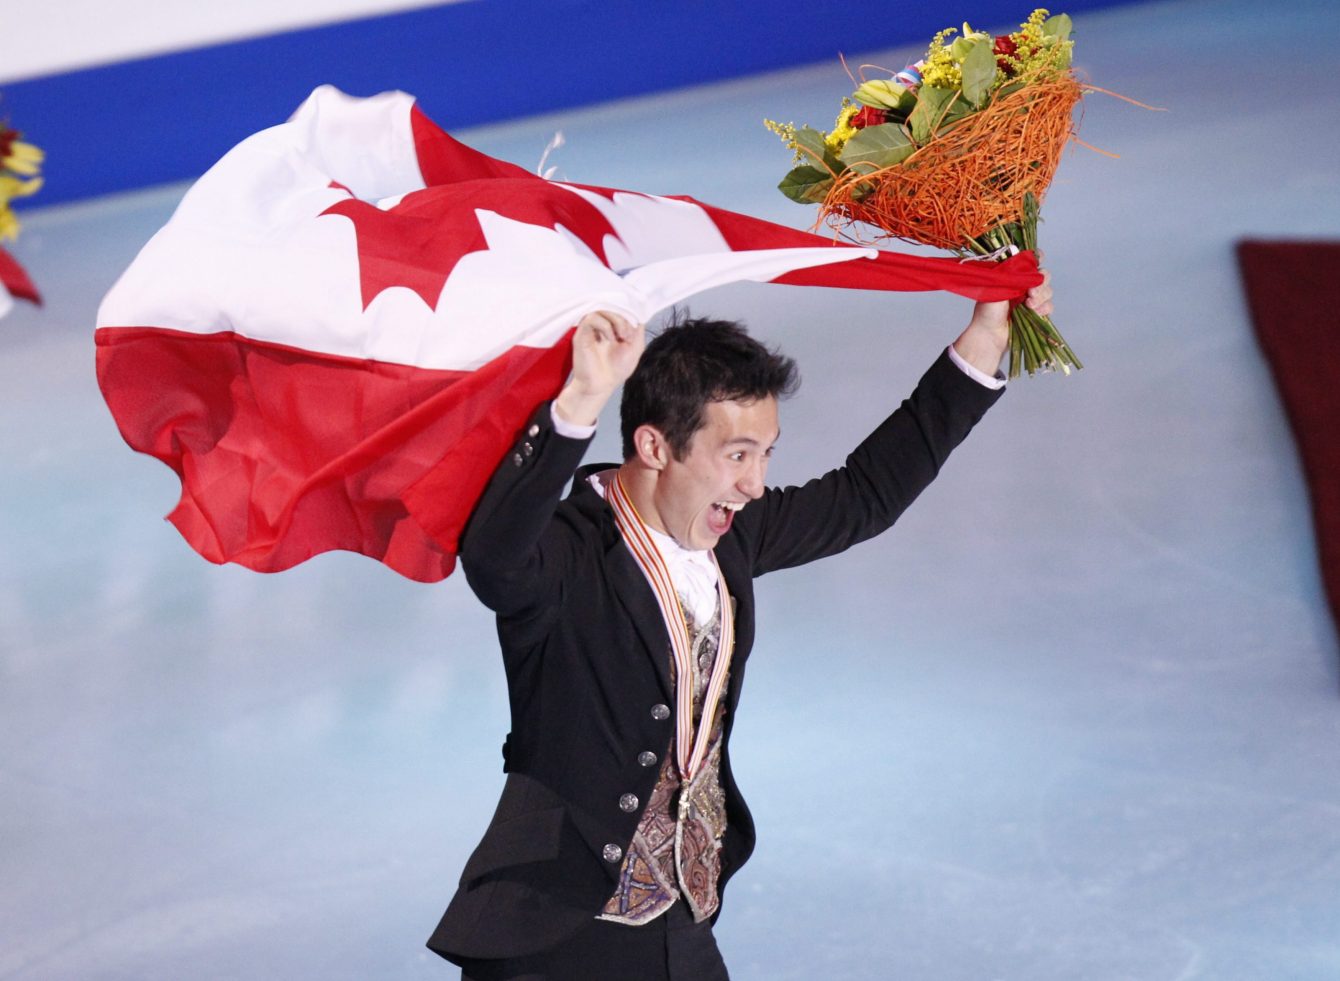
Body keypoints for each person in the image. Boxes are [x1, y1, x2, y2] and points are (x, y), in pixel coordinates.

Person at [427, 278, 1054, 980]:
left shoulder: (731, 539)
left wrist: (985, 341)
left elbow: (863, 497)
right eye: (737, 455)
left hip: (680, 917)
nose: (756, 483)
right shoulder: (570, 550)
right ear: (655, 446)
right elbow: (494, 559)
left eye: (767, 454)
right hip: (553, 931)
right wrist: (576, 405)